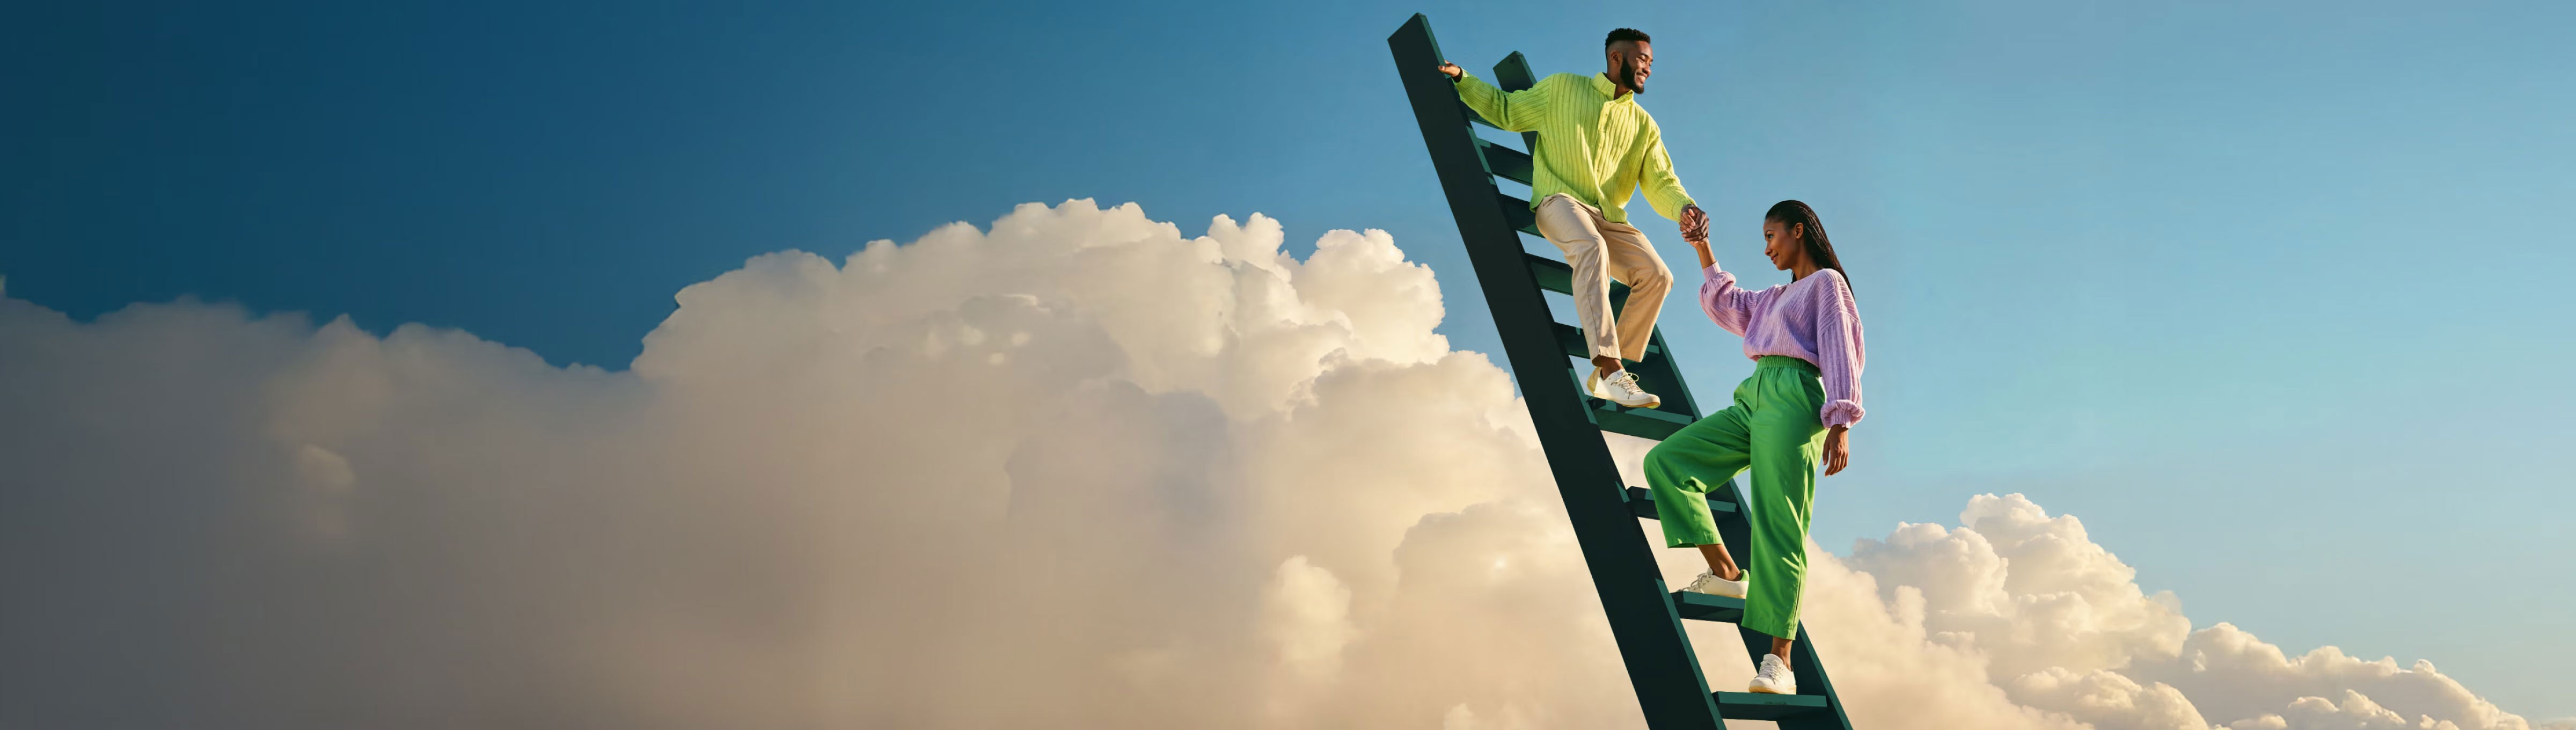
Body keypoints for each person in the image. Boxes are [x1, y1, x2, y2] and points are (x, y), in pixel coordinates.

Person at [1645, 200, 1864, 695]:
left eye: (1772, 237)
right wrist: (1702, 245)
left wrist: (1842, 418)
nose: (1767, 248)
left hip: (1794, 398)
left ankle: (1779, 663)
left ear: (1798, 231)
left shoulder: (1827, 285)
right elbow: (1728, 303)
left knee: (1779, 525)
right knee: (1667, 462)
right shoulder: (1774, 298)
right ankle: (1725, 572)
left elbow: (1840, 345)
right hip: (1755, 393)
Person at [1437, 27, 1707, 408]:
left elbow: (1662, 182)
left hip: (1609, 217)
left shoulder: (1645, 125)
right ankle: (1610, 367)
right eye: (1641, 59)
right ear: (1617, 58)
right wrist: (1466, 81)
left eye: (1650, 62)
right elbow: (1508, 111)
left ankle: (1610, 374)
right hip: (1558, 202)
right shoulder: (1562, 87)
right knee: (1591, 247)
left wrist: (1684, 207)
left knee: (1658, 276)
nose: (1647, 67)